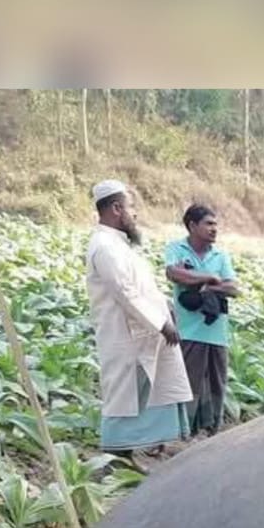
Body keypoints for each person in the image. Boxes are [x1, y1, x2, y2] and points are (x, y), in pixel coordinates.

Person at [86, 181, 191, 464]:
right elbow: (125, 293)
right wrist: (161, 323)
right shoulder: (105, 247)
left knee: (144, 396)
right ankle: (113, 463)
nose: (136, 214)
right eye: (131, 207)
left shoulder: (117, 244)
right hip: (126, 336)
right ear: (116, 208)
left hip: (141, 333)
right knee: (124, 401)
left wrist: (166, 308)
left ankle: (128, 458)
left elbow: (140, 287)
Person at [164, 203, 238, 436]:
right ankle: (184, 430)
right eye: (208, 224)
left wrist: (203, 286)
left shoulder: (221, 255)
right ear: (192, 225)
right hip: (188, 330)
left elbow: (234, 287)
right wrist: (210, 278)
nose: (214, 229)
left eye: (215, 224)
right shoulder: (176, 248)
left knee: (216, 382)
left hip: (216, 332)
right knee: (189, 382)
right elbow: (174, 273)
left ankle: (211, 429)